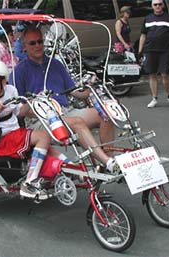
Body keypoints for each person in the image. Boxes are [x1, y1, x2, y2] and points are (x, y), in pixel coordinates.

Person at [9, 25, 118, 173]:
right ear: (24, 47)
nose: (38, 45)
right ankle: (107, 161)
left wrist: (90, 87)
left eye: (40, 41)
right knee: (77, 122)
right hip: (41, 120)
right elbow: (18, 111)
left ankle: (109, 162)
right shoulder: (18, 72)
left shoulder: (55, 64)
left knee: (105, 112)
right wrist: (34, 103)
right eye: (32, 43)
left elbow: (75, 93)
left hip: (66, 111)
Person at [0, 60, 65, 200]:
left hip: (16, 134)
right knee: (43, 137)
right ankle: (29, 182)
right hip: (0, 141)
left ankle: (70, 168)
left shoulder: (11, 90)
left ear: (3, 82)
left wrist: (30, 100)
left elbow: (19, 112)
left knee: (48, 148)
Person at [138, 0, 169, 108]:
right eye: (155, 4)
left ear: (163, 5)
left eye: (160, 4)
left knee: (165, 74)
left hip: (164, 51)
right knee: (152, 74)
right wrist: (139, 50)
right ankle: (154, 98)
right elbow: (143, 35)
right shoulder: (147, 18)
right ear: (152, 6)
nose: (158, 6)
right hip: (150, 50)